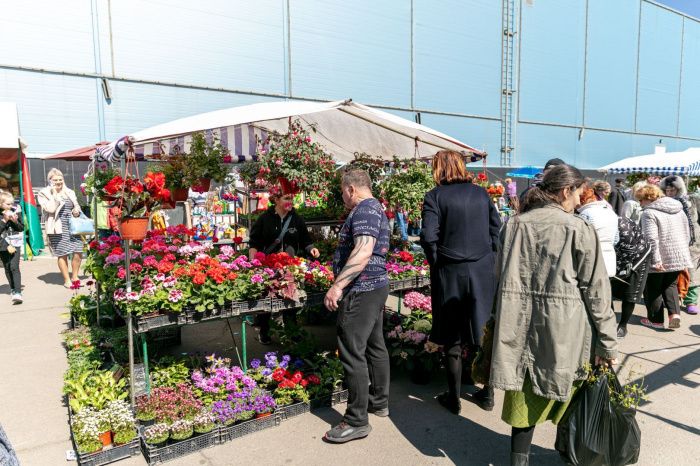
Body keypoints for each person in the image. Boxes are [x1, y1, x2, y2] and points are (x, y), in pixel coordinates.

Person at [490, 165, 618, 466]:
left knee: (523, 398)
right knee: (569, 394)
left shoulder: (513, 225)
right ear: (565, 191)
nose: (579, 200)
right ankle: (567, 454)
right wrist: (607, 342)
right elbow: (597, 291)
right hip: (566, 330)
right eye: (578, 193)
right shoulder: (578, 229)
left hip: (516, 325)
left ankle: (518, 461)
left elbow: (499, 275)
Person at [419, 150, 501, 414]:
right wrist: (489, 260)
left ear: (439, 168)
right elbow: (495, 230)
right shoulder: (481, 193)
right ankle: (487, 394)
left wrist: (437, 262)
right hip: (481, 270)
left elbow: (429, 237)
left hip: (450, 272)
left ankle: (453, 398)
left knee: (452, 336)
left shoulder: (435, 196)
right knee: (483, 331)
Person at [323, 169, 390, 444]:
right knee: (375, 345)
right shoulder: (377, 208)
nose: (343, 197)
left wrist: (337, 286)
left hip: (361, 289)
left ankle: (356, 421)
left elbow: (363, 250)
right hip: (375, 286)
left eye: (342, 191)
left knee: (352, 352)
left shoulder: (364, 210)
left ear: (351, 189)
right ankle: (379, 402)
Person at [248, 180, 319, 344]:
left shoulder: (297, 219)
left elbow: (306, 240)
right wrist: (253, 260)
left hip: (290, 267)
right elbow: (255, 242)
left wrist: (311, 249)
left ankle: (291, 332)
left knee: (291, 299)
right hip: (269, 267)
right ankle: (264, 331)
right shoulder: (264, 219)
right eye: (286, 198)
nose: (290, 202)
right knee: (267, 299)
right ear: (276, 200)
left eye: (291, 199)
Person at [637, 184, 693, 329]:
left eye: (641, 200)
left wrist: (655, 260)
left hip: (659, 257)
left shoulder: (649, 213)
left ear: (648, 198)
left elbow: (651, 239)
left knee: (653, 288)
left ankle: (656, 321)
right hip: (679, 255)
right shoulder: (679, 210)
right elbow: (687, 233)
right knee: (671, 285)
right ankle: (675, 314)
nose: (640, 203)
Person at [659, 175, 700, 315]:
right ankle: (673, 299)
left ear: (679, 189)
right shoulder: (663, 203)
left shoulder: (692, 201)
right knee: (673, 271)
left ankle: (691, 300)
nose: (670, 193)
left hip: (693, 242)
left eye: (673, 190)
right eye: (667, 190)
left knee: (692, 271)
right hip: (672, 241)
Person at [37, 169, 83, 288]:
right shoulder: (44, 193)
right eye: (55, 180)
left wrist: (76, 211)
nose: (58, 182)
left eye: (60, 179)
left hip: (72, 225)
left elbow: (76, 205)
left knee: (78, 251)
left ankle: (75, 277)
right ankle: (67, 280)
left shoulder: (69, 191)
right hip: (57, 226)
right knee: (62, 253)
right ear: (50, 181)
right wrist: (55, 194)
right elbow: (50, 209)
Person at [612, 214, 651, 338]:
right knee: (606, 289)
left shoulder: (622, 226)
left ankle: (623, 325)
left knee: (631, 291)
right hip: (617, 254)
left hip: (638, 254)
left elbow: (629, 250)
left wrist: (620, 272)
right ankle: (610, 323)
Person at [577, 187, 619, 278]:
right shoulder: (611, 212)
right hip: (609, 259)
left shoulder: (585, 213)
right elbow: (616, 240)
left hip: (591, 261)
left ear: (582, 200)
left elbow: (582, 240)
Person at [0, 191, 23, 304]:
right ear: (1, 204)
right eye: (8, 204)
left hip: (15, 243)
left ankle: (18, 292)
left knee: (14, 267)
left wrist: (15, 221)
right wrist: (4, 220)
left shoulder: (16, 212)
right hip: (3, 245)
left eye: (12, 204)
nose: (10, 206)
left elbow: (21, 228)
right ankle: (13, 288)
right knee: (8, 268)